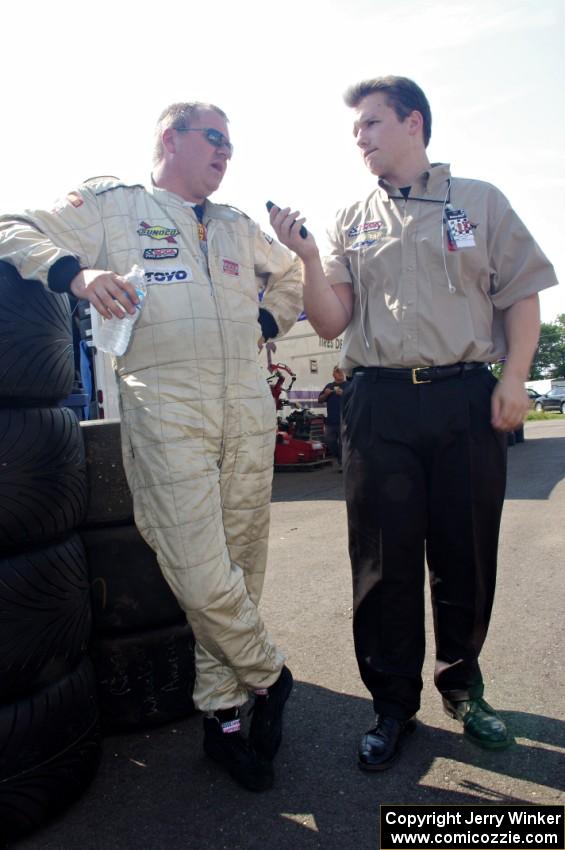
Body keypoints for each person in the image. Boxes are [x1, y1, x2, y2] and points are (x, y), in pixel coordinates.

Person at [0, 102, 303, 791]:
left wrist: (266, 316)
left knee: (240, 566)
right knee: (195, 563)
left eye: (232, 144)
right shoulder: (114, 206)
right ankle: (269, 675)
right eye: (214, 140)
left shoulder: (235, 224)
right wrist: (74, 274)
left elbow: (288, 276)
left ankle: (222, 722)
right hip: (166, 403)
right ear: (170, 137)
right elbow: (10, 226)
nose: (227, 153)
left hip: (247, 407)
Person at [268, 76, 558, 770]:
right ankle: (391, 705)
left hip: (463, 397)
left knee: (463, 553)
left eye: (370, 124)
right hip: (378, 403)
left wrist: (513, 379)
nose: (360, 140)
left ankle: (463, 687)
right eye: (355, 131)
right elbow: (333, 319)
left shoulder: (478, 202)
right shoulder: (348, 218)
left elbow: (519, 297)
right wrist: (307, 258)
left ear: (412, 123)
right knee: (381, 563)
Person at [317, 365, 346, 466]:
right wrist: (326, 394)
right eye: (338, 371)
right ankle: (339, 457)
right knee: (329, 440)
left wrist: (344, 394)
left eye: (342, 371)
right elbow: (320, 400)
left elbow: (355, 399)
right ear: (333, 374)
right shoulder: (329, 386)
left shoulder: (349, 385)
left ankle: (342, 463)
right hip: (331, 421)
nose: (341, 373)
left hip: (345, 420)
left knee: (343, 443)